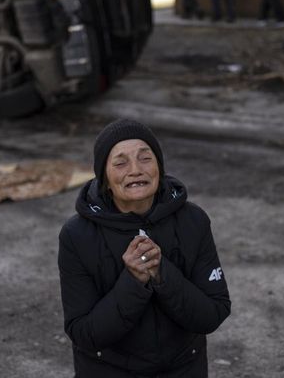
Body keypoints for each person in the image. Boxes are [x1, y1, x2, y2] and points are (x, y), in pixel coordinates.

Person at [58, 119, 231, 377]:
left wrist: (162, 273)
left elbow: (212, 313)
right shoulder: (77, 235)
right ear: (104, 177)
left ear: (159, 167)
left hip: (183, 367)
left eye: (145, 158)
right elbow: (84, 334)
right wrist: (133, 281)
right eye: (120, 163)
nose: (136, 170)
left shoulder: (193, 221)